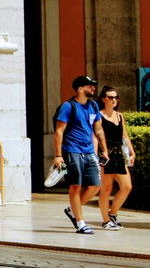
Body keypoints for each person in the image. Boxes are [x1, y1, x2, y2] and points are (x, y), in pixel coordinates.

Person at [55, 75, 107, 234]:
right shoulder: (68, 106)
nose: (93, 88)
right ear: (80, 88)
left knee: (95, 186)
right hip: (72, 151)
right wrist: (58, 155)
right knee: (75, 186)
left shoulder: (94, 106)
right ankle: (80, 222)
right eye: (89, 86)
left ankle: (72, 210)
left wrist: (104, 150)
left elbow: (98, 130)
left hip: (90, 152)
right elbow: (59, 131)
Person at [98, 86, 134, 230]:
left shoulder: (119, 116)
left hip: (118, 154)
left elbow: (124, 136)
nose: (114, 100)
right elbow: (98, 136)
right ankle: (106, 220)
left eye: (116, 97)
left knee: (127, 186)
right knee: (106, 189)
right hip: (106, 155)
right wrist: (101, 153)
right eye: (111, 97)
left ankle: (112, 214)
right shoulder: (98, 116)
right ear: (103, 99)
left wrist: (132, 152)